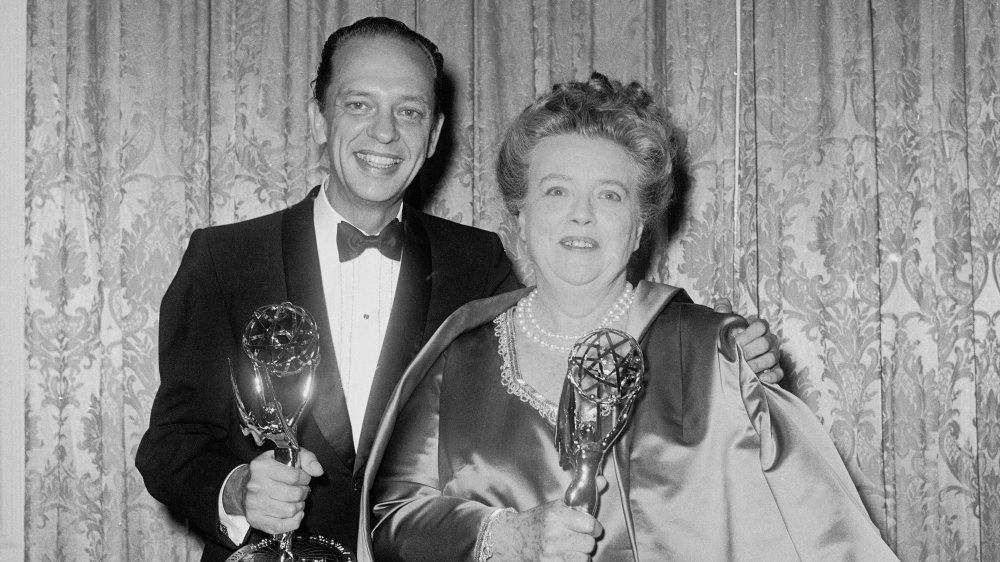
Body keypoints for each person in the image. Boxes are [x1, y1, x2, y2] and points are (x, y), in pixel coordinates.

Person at [135, 17, 781, 561]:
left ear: (435, 134)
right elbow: (169, 444)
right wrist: (237, 490)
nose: (385, 133)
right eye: (359, 105)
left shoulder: (478, 260)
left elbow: (574, 337)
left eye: (409, 112)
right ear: (317, 117)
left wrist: (712, 355)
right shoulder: (223, 258)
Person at [358, 73, 899, 561]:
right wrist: (500, 535)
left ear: (639, 228)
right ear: (520, 218)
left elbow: (827, 538)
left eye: (610, 196)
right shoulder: (458, 356)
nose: (581, 213)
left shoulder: (715, 356)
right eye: (556, 190)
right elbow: (390, 517)